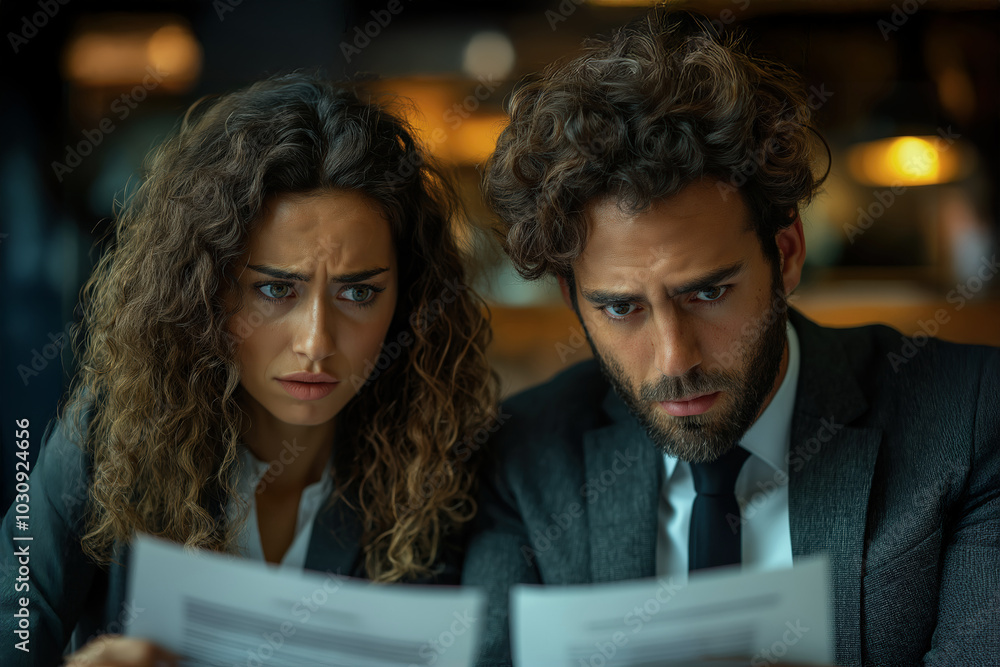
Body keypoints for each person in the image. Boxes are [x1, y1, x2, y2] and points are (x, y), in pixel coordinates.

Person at [463, 8, 999, 667]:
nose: (675, 358)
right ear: (574, 300)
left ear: (789, 252)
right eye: (622, 308)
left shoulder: (973, 418)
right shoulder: (523, 462)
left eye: (708, 293)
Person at [0, 73, 497, 666]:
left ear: (407, 300)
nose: (315, 343)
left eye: (358, 294)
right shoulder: (107, 435)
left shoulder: (446, 467)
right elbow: (16, 621)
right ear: (206, 292)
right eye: (273, 290)